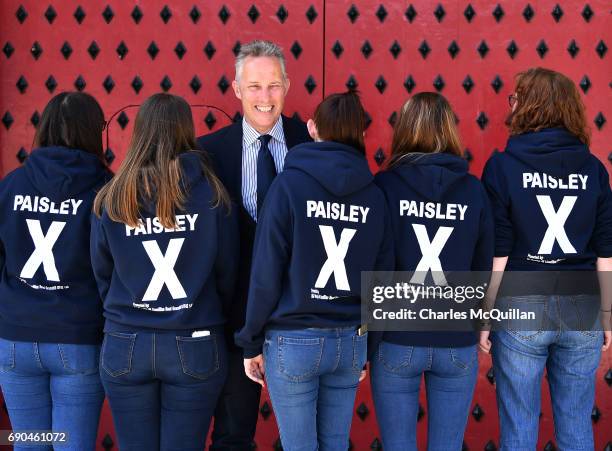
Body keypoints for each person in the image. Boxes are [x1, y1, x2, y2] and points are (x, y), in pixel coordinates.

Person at [235, 91, 394, 451]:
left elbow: (266, 271)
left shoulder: (288, 185)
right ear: (361, 134)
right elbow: (383, 277)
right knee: (335, 443)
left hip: (293, 340)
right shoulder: (374, 194)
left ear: (311, 128)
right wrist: (370, 342)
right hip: (350, 339)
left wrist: (250, 341)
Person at [91, 93, 238, 451]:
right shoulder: (213, 195)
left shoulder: (112, 197)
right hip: (195, 339)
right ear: (186, 130)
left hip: (126, 341)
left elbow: (102, 274)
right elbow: (227, 274)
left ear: (139, 133)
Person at [480, 67, 612, 450]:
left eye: (516, 98)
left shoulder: (503, 166)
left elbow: (499, 251)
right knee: (575, 427)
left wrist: (485, 317)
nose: (512, 105)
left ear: (531, 106)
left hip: (521, 303)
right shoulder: (593, 170)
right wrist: (608, 317)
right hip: (582, 305)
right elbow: (606, 250)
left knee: (519, 428)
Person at [196, 39, 310, 451]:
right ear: (237, 89)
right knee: (231, 433)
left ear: (288, 86)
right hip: (232, 318)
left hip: (300, 315)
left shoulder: (310, 144)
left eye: (274, 86)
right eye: (256, 86)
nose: (265, 98)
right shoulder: (208, 151)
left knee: (302, 438)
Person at [370, 92, 494, 450]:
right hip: (456, 340)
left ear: (405, 130)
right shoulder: (473, 190)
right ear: (450, 130)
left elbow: (375, 261)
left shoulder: (385, 186)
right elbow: (483, 265)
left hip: (396, 339)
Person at [0, 92, 111, 450]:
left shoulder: (12, 185)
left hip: (14, 339)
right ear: (95, 132)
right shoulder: (105, 192)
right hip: (76, 339)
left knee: (30, 444)